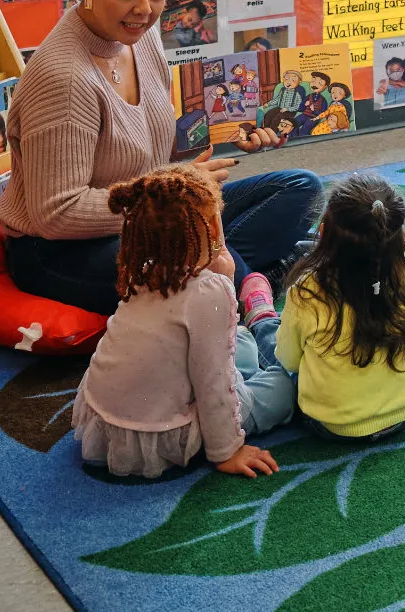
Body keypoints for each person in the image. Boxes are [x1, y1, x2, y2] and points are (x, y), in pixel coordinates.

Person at [0, 0, 321, 316]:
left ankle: (247, 274)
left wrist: (235, 132)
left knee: (302, 190)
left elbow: (151, 139)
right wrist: (172, 199)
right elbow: (58, 215)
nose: (145, 10)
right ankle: (257, 284)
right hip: (60, 251)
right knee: (196, 265)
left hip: (151, 213)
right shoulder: (63, 78)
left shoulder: (137, 36)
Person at [73, 165, 294, 480]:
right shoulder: (207, 293)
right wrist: (227, 451)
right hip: (165, 430)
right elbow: (212, 383)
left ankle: (255, 351)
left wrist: (224, 279)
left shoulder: (143, 270)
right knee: (283, 388)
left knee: (239, 339)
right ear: (216, 230)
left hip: (109, 419)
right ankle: (265, 340)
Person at [276, 174, 405, 440]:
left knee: (269, 342)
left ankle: (260, 312)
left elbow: (288, 360)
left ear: (322, 234)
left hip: (335, 424)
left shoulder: (307, 291)